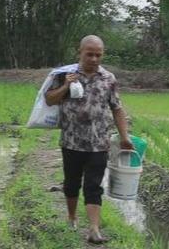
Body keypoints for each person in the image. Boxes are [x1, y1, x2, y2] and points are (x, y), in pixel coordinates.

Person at [45, 35, 133, 244]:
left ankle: (94, 229)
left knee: (93, 186)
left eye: (98, 55)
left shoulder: (108, 78)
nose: (94, 59)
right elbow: (49, 100)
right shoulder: (64, 74)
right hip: (71, 141)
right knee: (71, 183)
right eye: (89, 54)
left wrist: (124, 137)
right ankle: (72, 216)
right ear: (80, 52)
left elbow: (117, 109)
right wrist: (66, 86)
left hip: (99, 143)